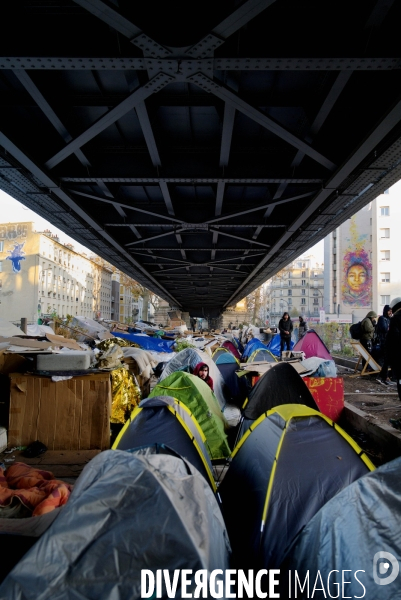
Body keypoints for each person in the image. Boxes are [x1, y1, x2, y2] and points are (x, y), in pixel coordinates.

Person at [376, 305, 393, 386]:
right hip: (383, 342)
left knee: (387, 361)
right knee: (386, 361)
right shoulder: (382, 319)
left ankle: (383, 376)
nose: (390, 312)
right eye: (389, 311)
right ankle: (384, 377)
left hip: (388, 342)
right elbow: (385, 329)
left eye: (391, 311)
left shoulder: (389, 319)